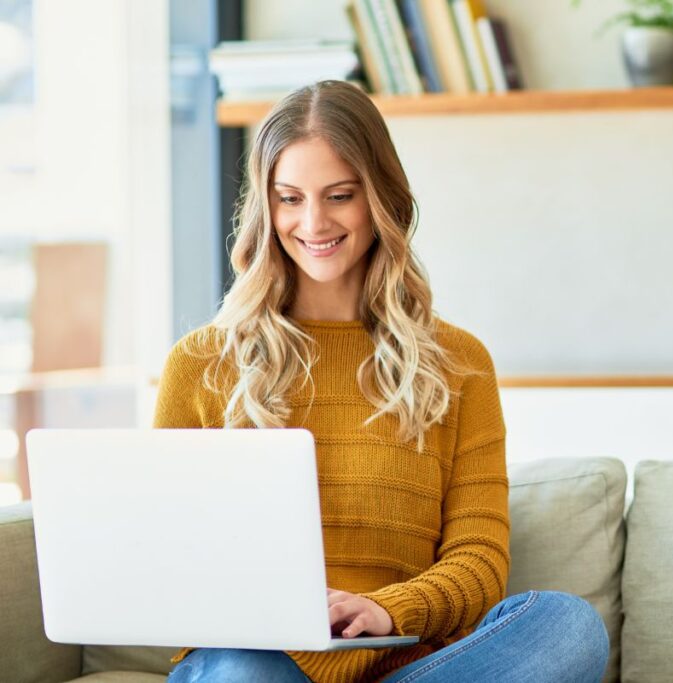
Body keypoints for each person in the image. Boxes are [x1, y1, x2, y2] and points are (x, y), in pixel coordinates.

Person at [154, 80, 609, 683]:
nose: (313, 222)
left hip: (409, 666)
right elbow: (167, 558)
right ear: (266, 210)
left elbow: (478, 562)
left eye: (339, 195)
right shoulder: (202, 364)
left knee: (567, 624)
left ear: (381, 200)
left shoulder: (459, 363)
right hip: (257, 664)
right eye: (289, 199)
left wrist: (384, 609)